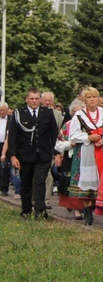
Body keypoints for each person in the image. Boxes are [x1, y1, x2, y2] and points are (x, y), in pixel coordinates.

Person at [7, 88, 60, 219]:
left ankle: (40, 211)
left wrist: (57, 152)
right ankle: (26, 211)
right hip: (24, 155)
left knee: (40, 182)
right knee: (26, 184)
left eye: (37, 99)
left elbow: (53, 135)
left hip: (43, 155)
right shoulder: (19, 113)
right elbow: (12, 137)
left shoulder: (47, 113)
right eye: (32, 99)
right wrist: (12, 156)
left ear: (40, 100)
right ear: (27, 99)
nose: (34, 101)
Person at [67, 87, 103, 226]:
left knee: (101, 181)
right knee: (87, 183)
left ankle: (99, 208)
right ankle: (87, 213)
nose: (92, 100)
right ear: (84, 100)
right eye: (89, 97)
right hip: (86, 152)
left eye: (94, 97)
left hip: (101, 150)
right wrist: (88, 137)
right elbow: (72, 135)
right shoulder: (79, 115)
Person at [56, 99, 85, 220]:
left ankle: (86, 207)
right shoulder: (67, 126)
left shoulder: (88, 126)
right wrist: (70, 144)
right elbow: (58, 144)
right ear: (72, 113)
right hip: (71, 158)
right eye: (76, 112)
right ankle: (76, 209)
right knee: (72, 183)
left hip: (86, 158)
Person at [0, 102, 10, 197]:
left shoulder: (10, 120)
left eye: (4, 110)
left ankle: (4, 188)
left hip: (6, 145)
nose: (2, 112)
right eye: (0, 110)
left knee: (4, 167)